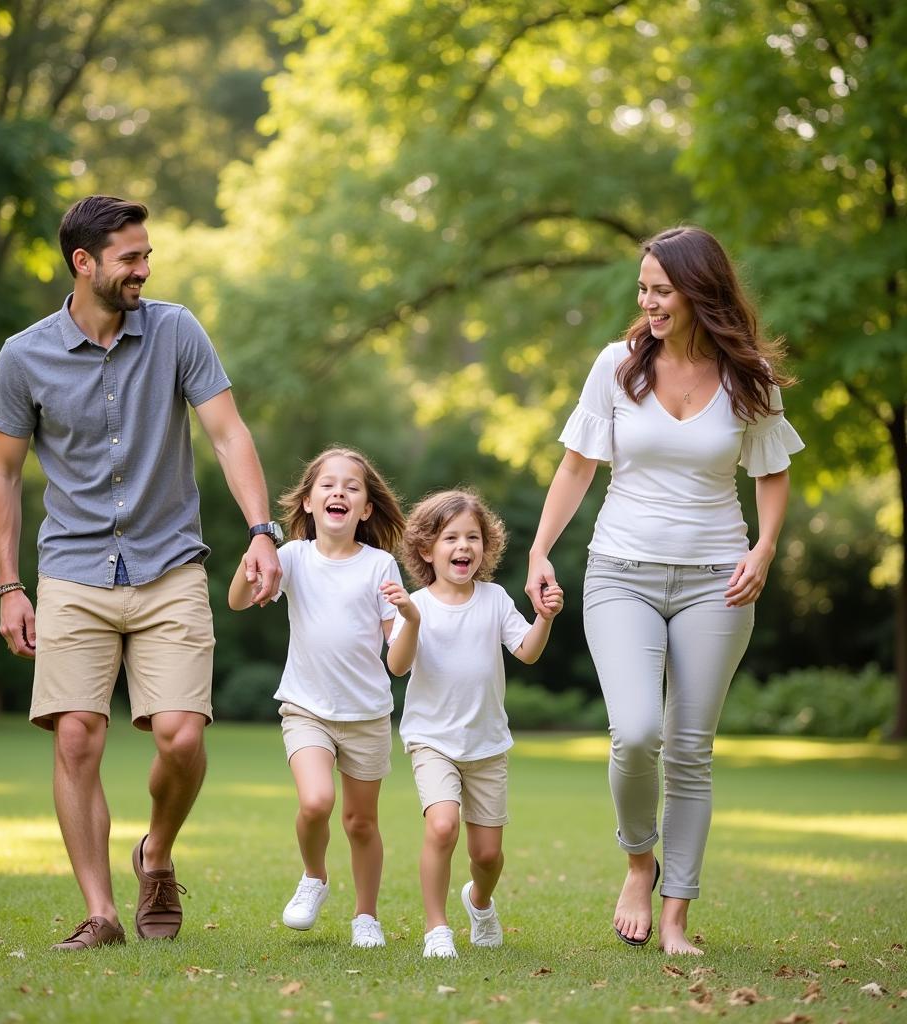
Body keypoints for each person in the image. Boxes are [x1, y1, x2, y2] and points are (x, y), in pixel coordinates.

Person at [0, 195, 282, 951]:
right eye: (130, 258)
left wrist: (261, 529)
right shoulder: (24, 356)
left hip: (169, 564)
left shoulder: (176, 330)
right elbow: (1, 472)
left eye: (147, 256)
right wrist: (9, 585)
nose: (144, 269)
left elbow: (227, 430)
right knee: (77, 737)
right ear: (84, 263)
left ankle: (155, 850)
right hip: (73, 571)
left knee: (181, 737)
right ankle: (102, 912)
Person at [525, 226, 804, 956]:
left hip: (718, 579)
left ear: (698, 291)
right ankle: (637, 861)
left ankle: (676, 915)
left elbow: (772, 472)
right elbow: (577, 466)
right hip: (622, 571)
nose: (646, 301)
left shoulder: (748, 379)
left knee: (689, 749)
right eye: (642, 288)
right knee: (637, 732)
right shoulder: (616, 367)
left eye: (660, 289)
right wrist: (539, 551)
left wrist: (765, 548)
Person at [228, 446, 405, 948]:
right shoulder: (291, 558)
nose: (339, 493)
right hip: (305, 708)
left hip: (367, 714)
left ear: (366, 509)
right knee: (316, 801)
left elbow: (397, 651)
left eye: (352, 487)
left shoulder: (381, 565)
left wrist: (410, 621)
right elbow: (238, 601)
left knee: (361, 822)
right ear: (308, 502)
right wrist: (250, 562)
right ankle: (314, 876)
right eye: (328, 485)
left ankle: (365, 916)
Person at [384, 489, 563, 959]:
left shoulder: (494, 598)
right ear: (426, 549)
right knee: (442, 827)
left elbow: (526, 650)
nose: (463, 546)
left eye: (473, 537)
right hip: (432, 741)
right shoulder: (417, 604)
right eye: (450, 538)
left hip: (486, 744)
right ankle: (436, 928)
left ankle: (479, 901)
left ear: (485, 547)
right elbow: (397, 666)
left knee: (486, 856)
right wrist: (410, 618)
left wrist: (543, 617)